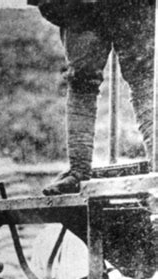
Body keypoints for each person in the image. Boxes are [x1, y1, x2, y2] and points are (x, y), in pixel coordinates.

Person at [28, 0, 155, 195]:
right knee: (83, 82)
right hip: (83, 8)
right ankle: (78, 171)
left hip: (126, 7)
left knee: (144, 80)